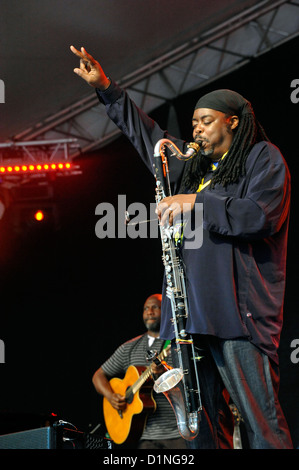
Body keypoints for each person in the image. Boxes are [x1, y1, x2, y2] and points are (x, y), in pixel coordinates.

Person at [71, 46, 293, 449]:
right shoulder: (192, 167)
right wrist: (107, 89)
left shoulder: (262, 157)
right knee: (202, 433)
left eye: (206, 121)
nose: (197, 130)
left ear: (235, 123)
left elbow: (260, 216)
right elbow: (148, 136)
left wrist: (194, 202)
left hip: (237, 317)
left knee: (262, 425)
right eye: (193, 122)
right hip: (188, 322)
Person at [92, 293, 187, 449]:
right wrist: (111, 396)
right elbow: (98, 376)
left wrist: (162, 375)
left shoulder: (179, 344)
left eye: (155, 307)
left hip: (178, 434)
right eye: (146, 308)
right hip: (143, 437)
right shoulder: (129, 348)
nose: (150, 312)